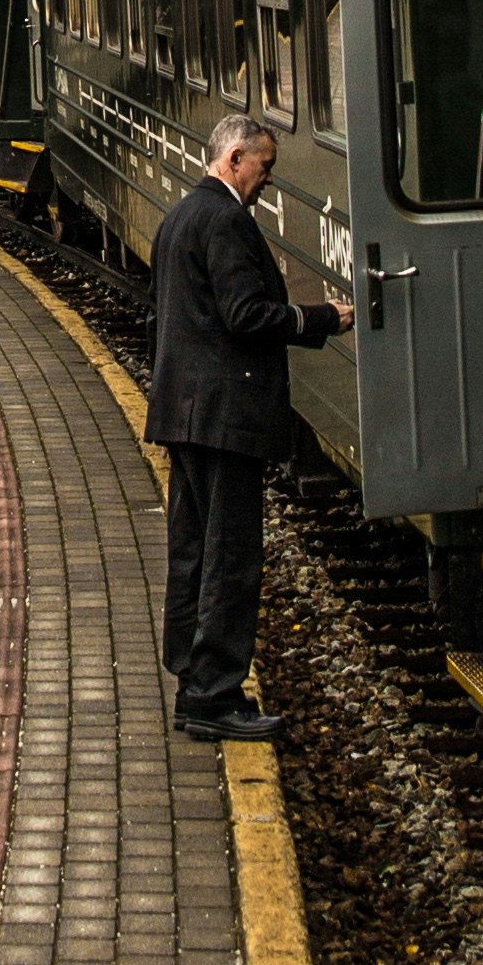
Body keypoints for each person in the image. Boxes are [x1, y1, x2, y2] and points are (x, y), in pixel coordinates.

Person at [145, 109, 354, 739]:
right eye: (264, 166)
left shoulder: (181, 216)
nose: (267, 180)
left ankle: (191, 678)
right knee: (230, 557)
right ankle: (215, 695)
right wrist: (320, 320)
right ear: (234, 158)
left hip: (184, 413)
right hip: (224, 417)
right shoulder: (227, 222)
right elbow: (246, 315)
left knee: (192, 550)